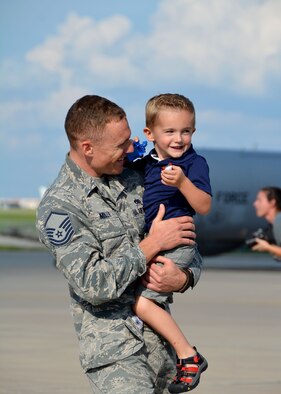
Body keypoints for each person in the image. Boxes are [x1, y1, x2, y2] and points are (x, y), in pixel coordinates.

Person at [36, 94, 203, 394]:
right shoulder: (61, 207)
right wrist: (150, 245)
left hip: (162, 353)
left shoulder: (136, 180)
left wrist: (184, 277)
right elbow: (92, 284)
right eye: (121, 144)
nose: (132, 147)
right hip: (116, 356)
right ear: (87, 148)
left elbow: (184, 238)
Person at [128, 93, 211, 393]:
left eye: (186, 131)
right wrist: (129, 150)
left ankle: (188, 356)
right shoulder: (147, 163)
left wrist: (183, 184)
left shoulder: (194, 163)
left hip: (178, 243)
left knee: (143, 302)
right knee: (143, 299)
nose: (179, 138)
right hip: (155, 241)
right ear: (151, 134)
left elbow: (203, 206)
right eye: (170, 131)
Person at [252, 186, 281, 260]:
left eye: (259, 200)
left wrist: (268, 247)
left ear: (272, 203)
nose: (255, 204)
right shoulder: (275, 223)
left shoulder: (279, 221)